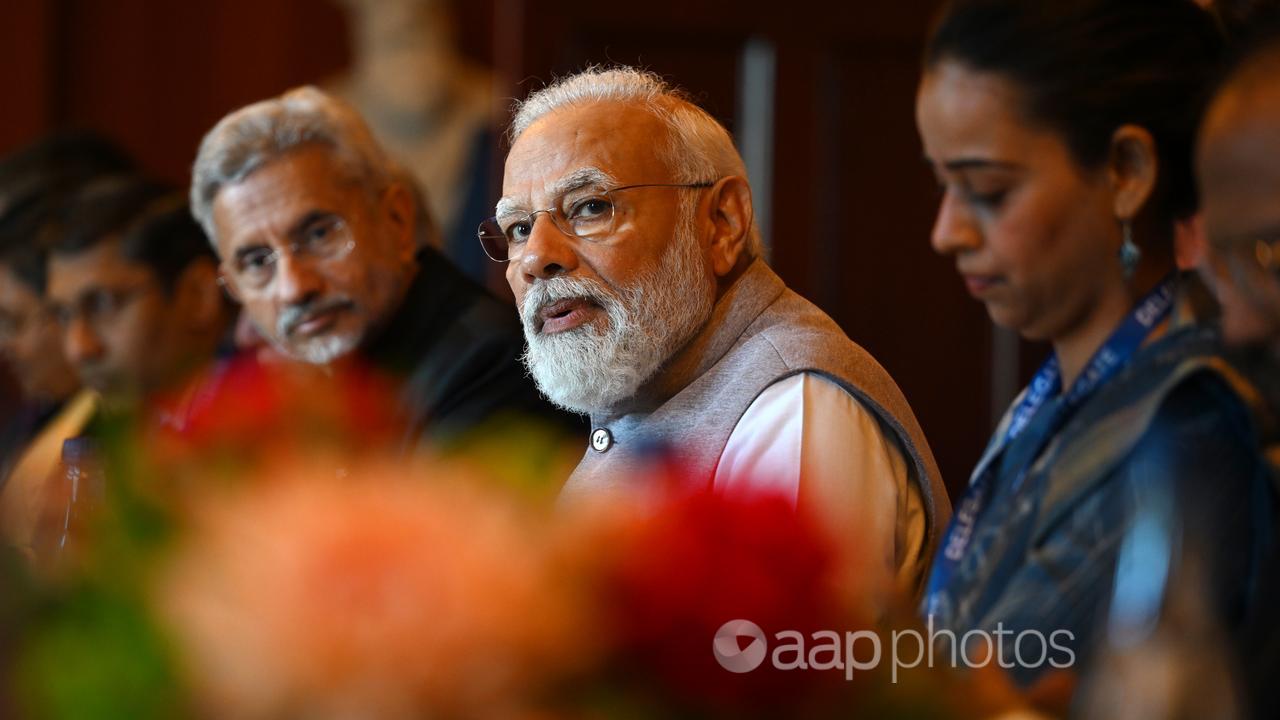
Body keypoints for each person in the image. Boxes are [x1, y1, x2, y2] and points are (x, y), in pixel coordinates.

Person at [916, 0, 1274, 686]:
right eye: (943, 185)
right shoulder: (1064, 391)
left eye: (985, 189)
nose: (946, 230)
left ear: (1126, 172)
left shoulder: (1188, 424)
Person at [491, 66, 950, 594]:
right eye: (519, 229)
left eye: (592, 207)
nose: (536, 258)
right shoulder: (648, 378)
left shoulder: (795, 406)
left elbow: (773, 667)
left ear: (722, 223)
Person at [191, 86, 573, 448]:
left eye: (319, 234)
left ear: (396, 220)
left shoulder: (487, 367)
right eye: (257, 262)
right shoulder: (311, 388)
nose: (294, 287)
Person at [45, 177, 233, 410]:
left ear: (199, 296)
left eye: (102, 305)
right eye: (63, 315)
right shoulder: (101, 433)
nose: (78, 349)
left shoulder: (277, 417)